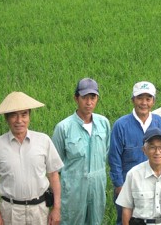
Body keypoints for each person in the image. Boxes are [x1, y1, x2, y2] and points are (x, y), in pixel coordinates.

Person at [0, 92, 63, 225]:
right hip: (10, 212)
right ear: (6, 118)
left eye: (24, 114)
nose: (19, 120)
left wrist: (57, 208)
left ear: (29, 116)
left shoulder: (43, 141)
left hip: (39, 211)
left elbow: (53, 175)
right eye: (14, 115)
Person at [52, 78, 111, 224]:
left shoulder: (103, 124)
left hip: (97, 188)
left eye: (93, 97)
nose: (89, 102)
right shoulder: (63, 127)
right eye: (85, 97)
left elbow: (106, 153)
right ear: (76, 98)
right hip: (74, 191)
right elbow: (54, 166)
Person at [109, 81, 161, 225]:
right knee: (127, 221)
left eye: (148, 99)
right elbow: (114, 158)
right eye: (140, 98)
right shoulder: (121, 125)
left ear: (153, 101)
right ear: (133, 100)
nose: (144, 103)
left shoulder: (158, 121)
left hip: (155, 184)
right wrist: (119, 185)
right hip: (129, 185)